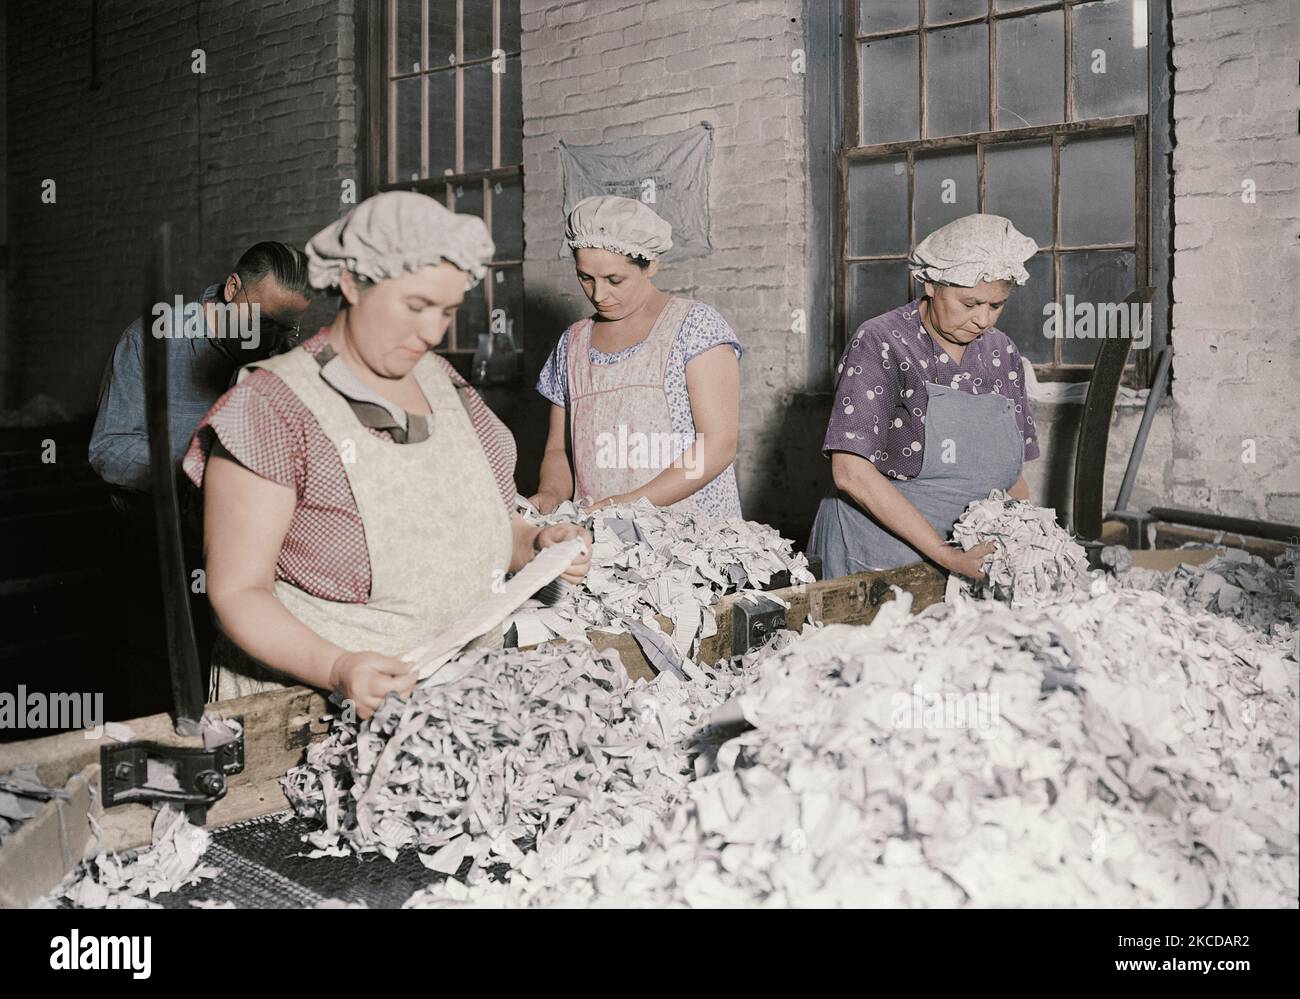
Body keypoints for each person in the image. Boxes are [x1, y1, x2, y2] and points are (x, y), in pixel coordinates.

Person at [183, 192, 590, 717]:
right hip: (309, 712)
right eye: (415, 306)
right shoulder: (272, 408)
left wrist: (535, 544)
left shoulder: (445, 386)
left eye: (445, 311)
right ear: (353, 282)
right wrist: (337, 667)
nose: (431, 332)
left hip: (457, 704)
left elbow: (488, 527)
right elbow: (238, 590)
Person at [808, 214, 1041, 580]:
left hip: (966, 555)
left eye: (996, 305)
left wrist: (1032, 540)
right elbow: (851, 473)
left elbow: (1012, 477)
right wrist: (946, 556)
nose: (983, 320)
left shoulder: (1001, 352)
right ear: (931, 284)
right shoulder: (881, 342)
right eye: (969, 303)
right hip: (879, 555)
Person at [529, 195, 743, 520]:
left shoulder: (695, 327)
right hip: (600, 530)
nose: (599, 295)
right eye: (585, 278)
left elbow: (717, 446)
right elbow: (560, 450)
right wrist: (550, 494)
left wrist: (626, 504)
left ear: (651, 265)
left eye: (614, 280)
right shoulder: (570, 344)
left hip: (689, 533)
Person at [90, 241, 313, 492]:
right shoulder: (151, 341)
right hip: (152, 521)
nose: (272, 342)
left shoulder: (285, 354)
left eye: (287, 328)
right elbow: (109, 448)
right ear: (232, 289)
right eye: (262, 322)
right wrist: (198, 472)